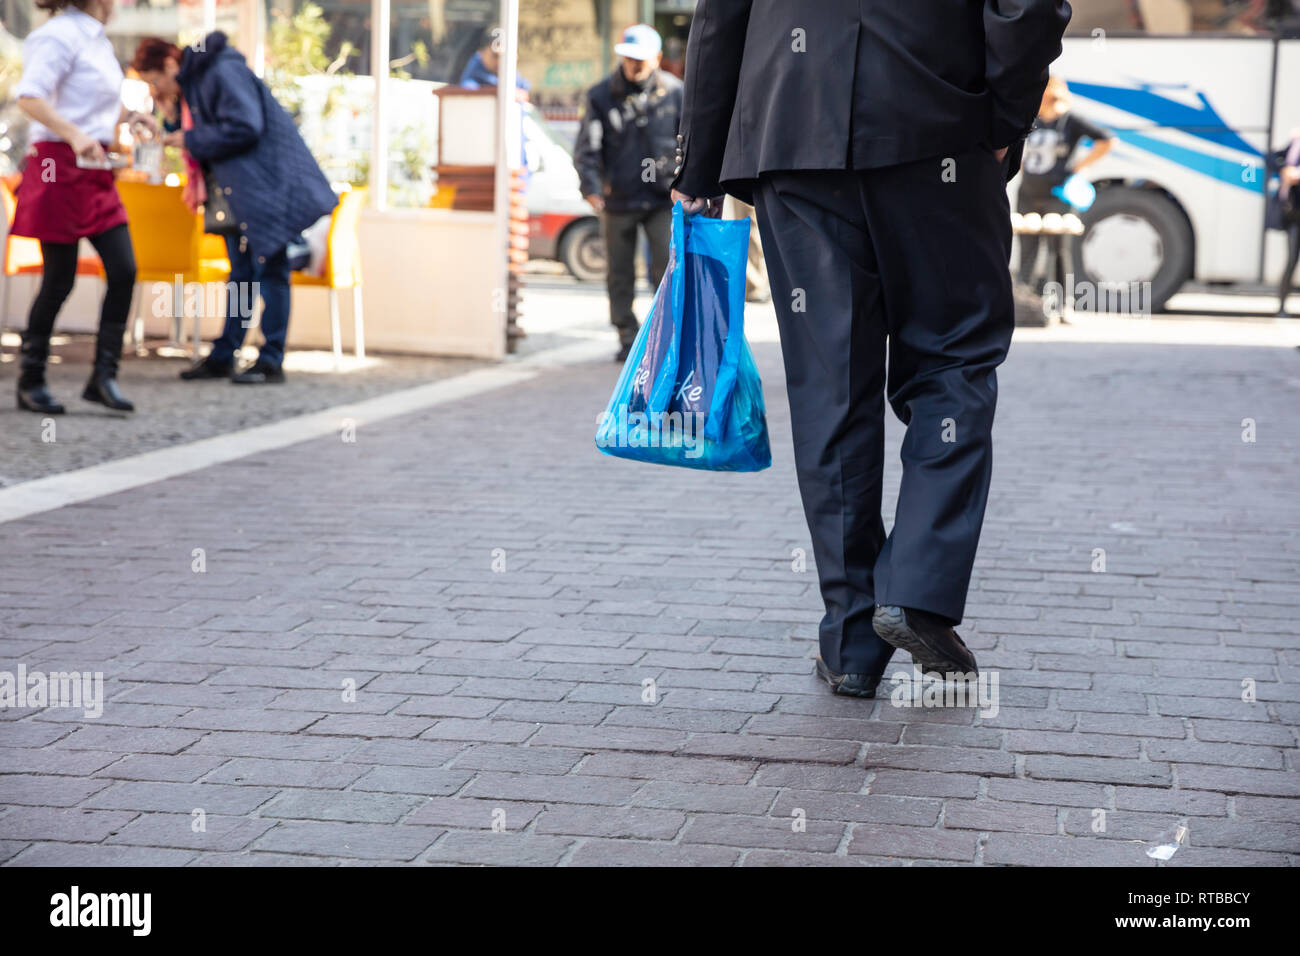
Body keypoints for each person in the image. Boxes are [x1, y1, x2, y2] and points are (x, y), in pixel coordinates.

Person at [671, 0, 1071, 698]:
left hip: (791, 131)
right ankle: (916, 588)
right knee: (953, 359)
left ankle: (853, 642)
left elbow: (719, 15)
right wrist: (1003, 118)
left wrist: (698, 168)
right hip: (938, 124)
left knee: (831, 386)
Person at [132, 32, 337, 384]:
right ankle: (226, 354)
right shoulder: (196, 81)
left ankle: (270, 360)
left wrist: (192, 139)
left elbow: (246, 125)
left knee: (271, 268)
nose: (156, 87)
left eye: (155, 79)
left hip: (262, 185)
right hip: (235, 190)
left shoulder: (220, 71)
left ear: (169, 64)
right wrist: (169, 118)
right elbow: (206, 126)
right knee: (241, 273)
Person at [11, 0, 158, 414]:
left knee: (125, 269)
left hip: (94, 168)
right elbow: (30, 96)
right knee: (60, 278)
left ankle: (103, 377)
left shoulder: (96, 39)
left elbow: (91, 101)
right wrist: (74, 135)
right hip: (58, 165)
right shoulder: (57, 35)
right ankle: (31, 379)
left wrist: (131, 116)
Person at [572, 24, 683, 362]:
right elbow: (586, 148)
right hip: (617, 199)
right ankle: (626, 336)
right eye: (629, 58)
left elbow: (690, 144)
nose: (634, 65)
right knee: (619, 273)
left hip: (663, 198)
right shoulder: (600, 95)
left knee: (667, 270)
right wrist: (591, 189)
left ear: (658, 58)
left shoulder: (677, 93)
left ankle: (665, 336)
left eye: (641, 59)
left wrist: (686, 185)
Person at [1015, 76, 1114, 291]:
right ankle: (1024, 298)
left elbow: (1106, 140)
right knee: (1027, 248)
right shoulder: (1032, 121)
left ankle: (1061, 302)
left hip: (1057, 193)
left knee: (1058, 249)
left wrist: (1080, 166)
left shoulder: (1070, 121)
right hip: (1028, 192)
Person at [1268, 128, 1300, 315]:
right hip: (1293, 213)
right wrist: (1283, 170)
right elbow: (1270, 157)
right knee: (1291, 259)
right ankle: (1281, 304)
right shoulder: (1293, 145)